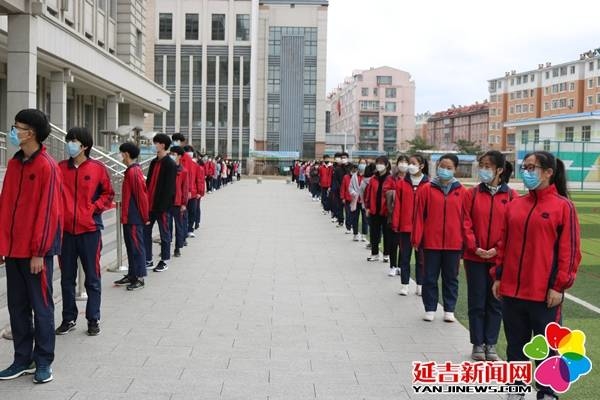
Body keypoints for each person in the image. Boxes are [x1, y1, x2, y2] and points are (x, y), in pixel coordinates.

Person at [491, 151, 581, 400]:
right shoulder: (515, 205)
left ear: (549, 172)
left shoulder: (563, 207)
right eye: (525, 167)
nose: (527, 171)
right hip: (512, 292)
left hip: (545, 295)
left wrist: (559, 286)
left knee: (547, 349)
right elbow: (503, 245)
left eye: (532, 167)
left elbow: (570, 252)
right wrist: (498, 276)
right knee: (515, 345)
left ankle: (547, 392)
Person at [0, 109, 62, 384]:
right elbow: (4, 207)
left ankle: (44, 361)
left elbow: (49, 212)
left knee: (42, 306)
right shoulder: (14, 165)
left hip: (35, 253)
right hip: (13, 251)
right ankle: (21, 359)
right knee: (17, 307)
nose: (14, 131)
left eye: (18, 127)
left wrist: (39, 251)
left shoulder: (47, 166)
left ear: (32, 132)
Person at [57, 127, 115, 337]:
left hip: (90, 231)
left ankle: (93, 318)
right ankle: (68, 317)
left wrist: (93, 208)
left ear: (85, 146)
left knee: (92, 277)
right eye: (68, 140)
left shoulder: (98, 168)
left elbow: (109, 194)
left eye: (73, 141)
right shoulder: (60, 168)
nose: (69, 144)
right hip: (65, 233)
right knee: (66, 278)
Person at [462, 151, 517, 361]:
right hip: (474, 257)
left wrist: (497, 249)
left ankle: (491, 344)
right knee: (477, 301)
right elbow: (465, 223)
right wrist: (475, 247)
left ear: (500, 170)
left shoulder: (512, 196)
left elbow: (512, 228)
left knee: (495, 302)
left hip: (498, 259)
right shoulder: (472, 194)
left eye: (488, 165)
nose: (483, 169)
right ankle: (478, 343)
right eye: (481, 165)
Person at [412, 153, 466, 322]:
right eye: (442, 166)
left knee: (451, 278)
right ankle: (430, 308)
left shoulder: (462, 192)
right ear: (437, 167)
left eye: (449, 168)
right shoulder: (426, 189)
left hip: (453, 243)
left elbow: (466, 219)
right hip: (431, 242)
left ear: (455, 170)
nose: (445, 170)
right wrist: (417, 239)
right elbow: (419, 216)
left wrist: (465, 242)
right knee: (430, 277)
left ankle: (449, 309)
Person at [113, 142, 150, 291]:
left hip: (134, 218)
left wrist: (145, 217)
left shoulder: (134, 172)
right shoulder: (131, 171)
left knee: (136, 247)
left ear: (126, 154)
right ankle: (132, 274)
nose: (121, 156)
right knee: (130, 247)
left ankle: (139, 277)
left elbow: (142, 197)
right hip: (129, 217)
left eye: (121, 153)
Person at [145, 134, 177, 272]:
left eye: (156, 143)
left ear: (163, 145)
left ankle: (164, 260)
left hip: (162, 207)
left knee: (165, 233)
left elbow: (169, 188)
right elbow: (148, 182)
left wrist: (163, 207)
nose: (154, 145)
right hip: (149, 205)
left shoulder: (170, 164)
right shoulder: (153, 162)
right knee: (145, 232)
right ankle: (148, 259)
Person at [402, 154, 429, 296]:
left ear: (421, 166)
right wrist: (397, 224)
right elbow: (398, 206)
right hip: (405, 227)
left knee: (421, 259)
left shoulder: (428, 184)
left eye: (413, 163)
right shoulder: (403, 183)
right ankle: (405, 284)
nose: (409, 166)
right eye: (409, 163)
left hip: (422, 229)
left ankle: (420, 284)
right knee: (405, 257)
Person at [365, 156, 392, 263]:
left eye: (382, 163)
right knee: (374, 233)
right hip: (374, 210)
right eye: (378, 163)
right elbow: (368, 194)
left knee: (387, 233)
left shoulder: (391, 178)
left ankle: (386, 254)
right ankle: (374, 253)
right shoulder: (373, 179)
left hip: (386, 211)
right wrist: (367, 207)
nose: (379, 165)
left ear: (386, 165)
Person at [387, 155, 409, 277]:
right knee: (393, 242)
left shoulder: (410, 179)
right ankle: (392, 265)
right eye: (401, 162)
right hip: (392, 214)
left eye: (406, 162)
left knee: (404, 244)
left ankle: (401, 266)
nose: (403, 164)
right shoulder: (391, 178)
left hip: (406, 216)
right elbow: (386, 192)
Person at [169, 146, 189, 258]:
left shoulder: (184, 171)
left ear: (179, 156)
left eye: (174, 154)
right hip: (167, 202)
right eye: (171, 153)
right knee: (167, 227)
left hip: (177, 202)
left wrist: (183, 203)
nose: (172, 156)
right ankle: (166, 248)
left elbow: (185, 188)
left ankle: (177, 248)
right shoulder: (167, 169)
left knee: (178, 226)